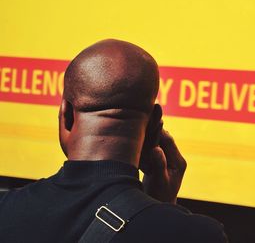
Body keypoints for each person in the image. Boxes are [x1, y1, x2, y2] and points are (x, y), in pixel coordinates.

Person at [0, 39, 228, 242]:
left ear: (66, 115)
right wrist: (162, 208)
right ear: (155, 124)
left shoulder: (6, 211)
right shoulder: (197, 235)